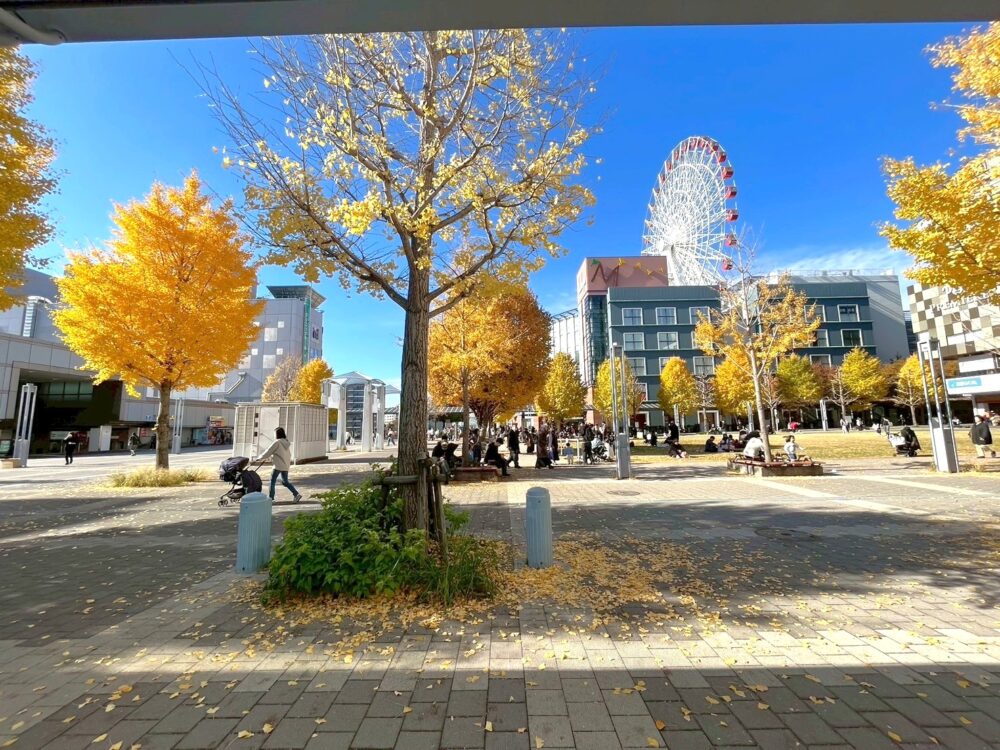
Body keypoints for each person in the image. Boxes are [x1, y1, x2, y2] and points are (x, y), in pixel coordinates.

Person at [255, 427, 303, 503]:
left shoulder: (277, 442)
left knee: (272, 482)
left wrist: (259, 458)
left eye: (274, 433)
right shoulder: (286, 442)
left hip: (277, 466)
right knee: (285, 482)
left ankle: (271, 499)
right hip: (285, 465)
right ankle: (296, 494)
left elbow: (268, 451)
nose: (274, 435)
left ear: (277, 434)